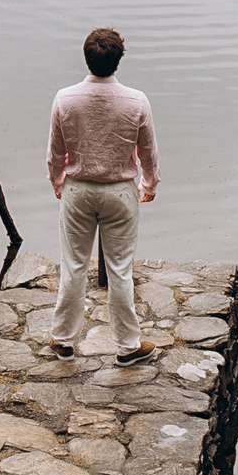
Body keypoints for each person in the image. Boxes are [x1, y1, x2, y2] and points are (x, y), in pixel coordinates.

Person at [47, 27, 159, 363]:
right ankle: (127, 346)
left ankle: (63, 340)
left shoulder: (64, 98)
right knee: (120, 270)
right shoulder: (136, 101)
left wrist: (57, 181)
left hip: (78, 189)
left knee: (73, 266)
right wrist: (149, 184)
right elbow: (148, 150)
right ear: (118, 60)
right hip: (120, 192)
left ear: (87, 58)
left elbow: (55, 151)